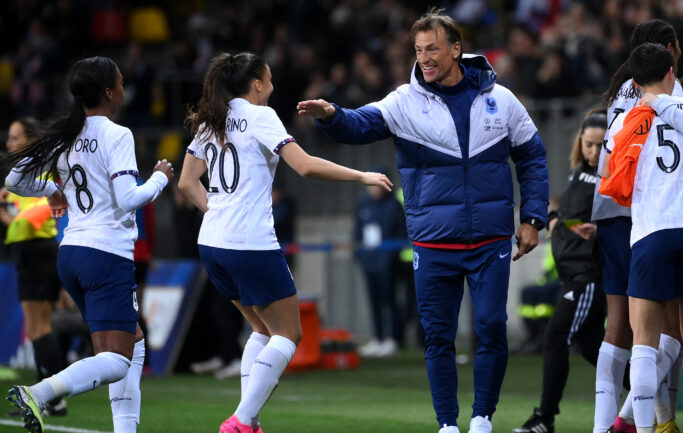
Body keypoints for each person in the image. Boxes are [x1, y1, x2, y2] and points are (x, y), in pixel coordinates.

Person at [297, 8, 549, 433]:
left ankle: (482, 419)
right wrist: (331, 116)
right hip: (434, 243)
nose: (425, 57)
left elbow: (533, 155)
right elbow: (358, 125)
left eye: (432, 48)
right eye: (418, 50)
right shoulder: (404, 101)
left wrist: (534, 218)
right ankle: (448, 425)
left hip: (490, 241)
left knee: (491, 328)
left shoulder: (500, 99)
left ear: (456, 49)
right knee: (438, 338)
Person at [177, 51, 392, 433]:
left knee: (261, 331)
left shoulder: (211, 121)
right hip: (250, 243)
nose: (273, 88)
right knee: (288, 334)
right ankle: (242, 422)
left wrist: (219, 212)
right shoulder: (261, 116)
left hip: (212, 243)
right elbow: (305, 165)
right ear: (257, 84)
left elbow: (186, 183)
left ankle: (250, 420)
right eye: (270, 80)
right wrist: (363, 176)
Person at [4, 56, 173, 433]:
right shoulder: (117, 134)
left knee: (134, 343)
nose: (125, 89)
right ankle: (41, 392)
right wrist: (160, 178)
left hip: (71, 254)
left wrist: (51, 190)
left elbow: (15, 179)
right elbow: (129, 198)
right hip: (106, 254)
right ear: (110, 93)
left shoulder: (65, 134)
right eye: (122, 83)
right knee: (115, 360)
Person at [608, 43, 683, 433]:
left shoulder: (623, 120)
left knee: (644, 339)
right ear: (671, 72)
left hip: (651, 231)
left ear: (633, 80)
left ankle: (645, 428)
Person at [591, 19, 683, 433]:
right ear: (669, 50)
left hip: (608, 209)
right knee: (672, 326)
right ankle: (636, 419)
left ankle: (606, 425)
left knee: (619, 325)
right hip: (647, 212)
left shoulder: (620, 91)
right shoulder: (669, 89)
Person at [514, 109, 607, 433]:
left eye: (601, 145)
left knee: (555, 336)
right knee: (595, 347)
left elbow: (627, 221)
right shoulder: (580, 173)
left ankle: (545, 418)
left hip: (587, 275)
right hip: (571, 272)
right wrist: (555, 219)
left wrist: (601, 230)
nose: (594, 152)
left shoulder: (611, 178)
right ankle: (648, 401)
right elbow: (569, 216)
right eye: (589, 144)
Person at [1, 117, 68, 417]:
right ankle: (46, 396)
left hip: (38, 253)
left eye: (16, 138)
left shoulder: (42, 172)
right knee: (39, 327)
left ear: (29, 139)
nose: (9, 144)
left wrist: (3, 210)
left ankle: (54, 398)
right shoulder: (27, 175)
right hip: (33, 254)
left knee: (38, 327)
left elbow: (24, 223)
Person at [353, 165, 407, 358]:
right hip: (370, 262)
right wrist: (362, 257)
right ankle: (378, 337)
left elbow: (401, 233)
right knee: (374, 300)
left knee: (390, 300)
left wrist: (388, 258)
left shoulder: (393, 205)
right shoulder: (363, 204)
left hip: (389, 263)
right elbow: (358, 233)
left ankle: (392, 339)